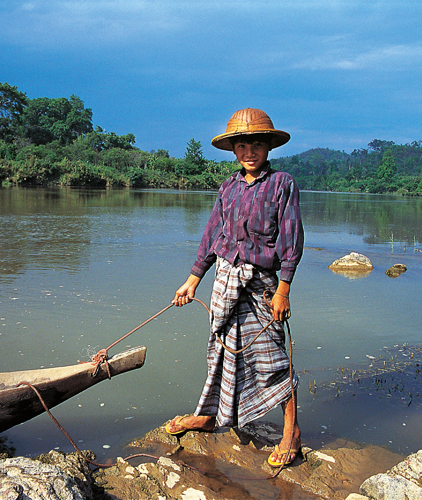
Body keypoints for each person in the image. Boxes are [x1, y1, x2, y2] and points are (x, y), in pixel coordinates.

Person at [166, 108, 304, 467]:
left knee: (272, 356)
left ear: (269, 147)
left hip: (261, 285)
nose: (249, 152)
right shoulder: (228, 186)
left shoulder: (282, 184)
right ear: (233, 150)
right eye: (242, 145)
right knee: (221, 350)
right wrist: (193, 279)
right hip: (225, 279)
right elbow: (214, 234)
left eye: (257, 144)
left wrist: (283, 289)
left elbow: (291, 239)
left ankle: (292, 431)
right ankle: (209, 415)